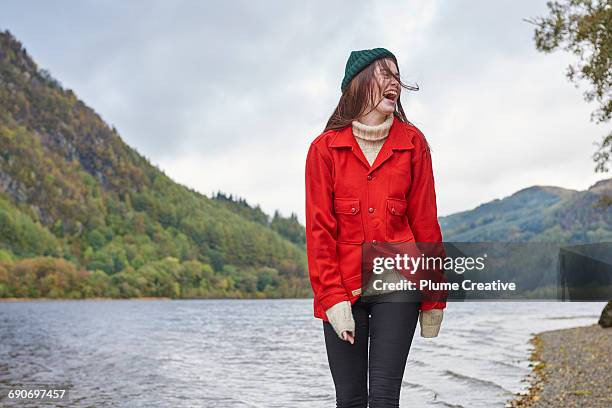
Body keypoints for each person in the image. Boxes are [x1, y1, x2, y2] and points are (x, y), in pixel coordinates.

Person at [304, 47, 446, 407]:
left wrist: (433, 298)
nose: (393, 82)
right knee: (349, 400)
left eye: (396, 75)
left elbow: (426, 223)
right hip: (342, 287)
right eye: (384, 74)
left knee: (384, 399)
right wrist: (332, 299)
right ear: (358, 84)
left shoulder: (413, 144)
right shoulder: (323, 150)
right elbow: (320, 233)